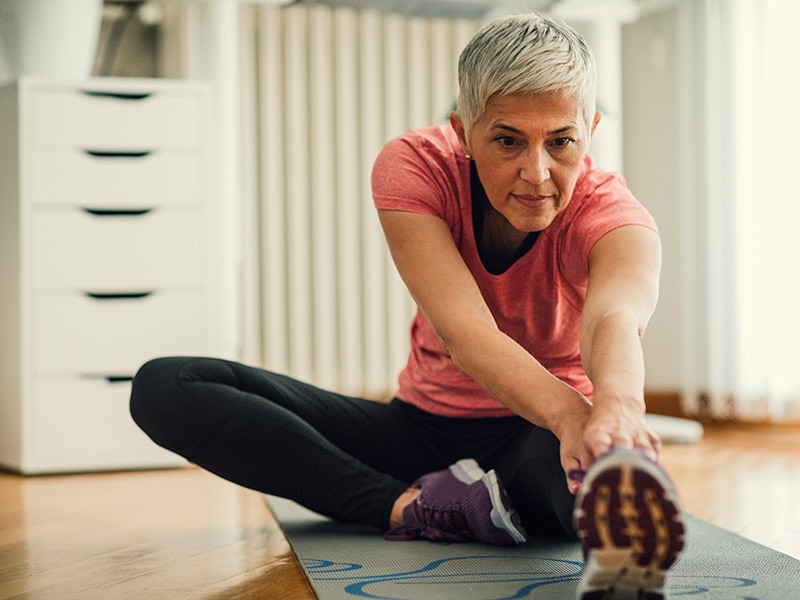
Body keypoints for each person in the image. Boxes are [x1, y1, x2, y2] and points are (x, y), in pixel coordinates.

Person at [130, 11, 685, 599]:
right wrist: (577, 415)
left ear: (590, 129)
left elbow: (613, 320)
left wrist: (614, 413)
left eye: (561, 141)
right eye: (506, 140)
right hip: (421, 433)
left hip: (537, 438)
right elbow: (465, 334)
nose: (536, 172)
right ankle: (414, 507)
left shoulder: (615, 218)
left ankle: (602, 530)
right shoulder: (416, 166)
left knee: (584, 469)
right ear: (462, 131)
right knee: (167, 386)